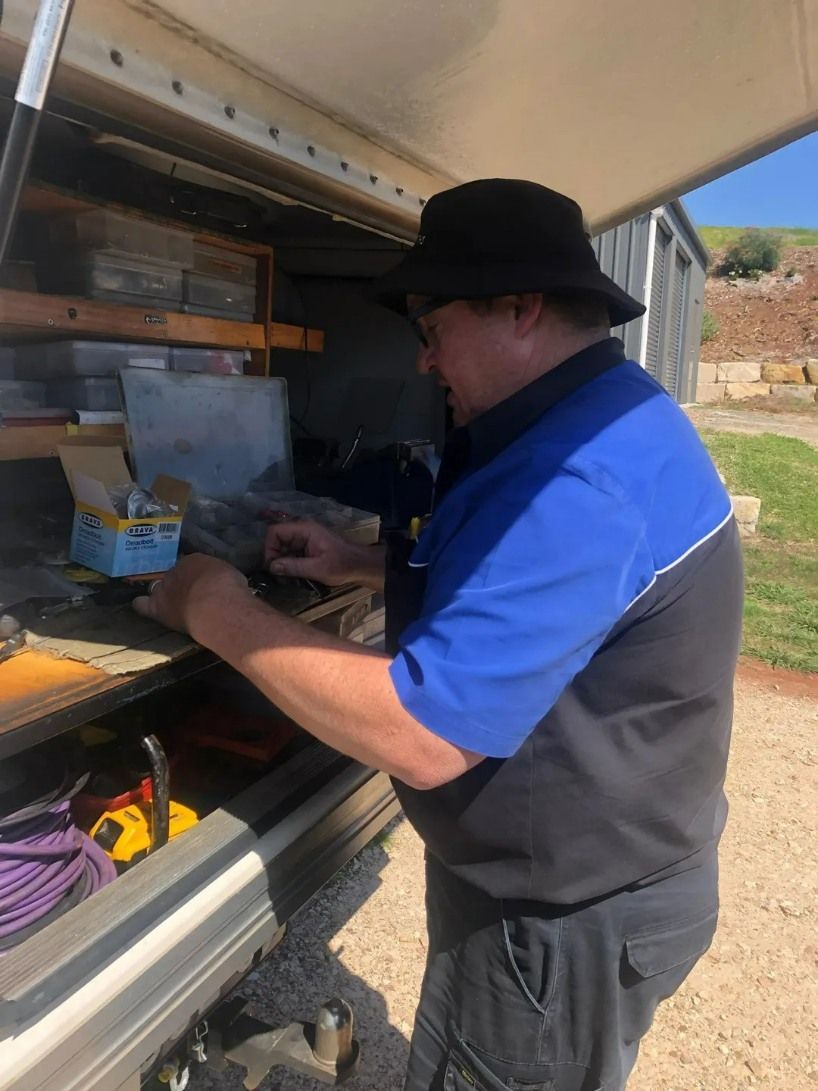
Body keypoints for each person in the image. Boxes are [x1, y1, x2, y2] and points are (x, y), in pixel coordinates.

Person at [135, 179, 743, 1091]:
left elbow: (424, 734)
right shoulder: (599, 416)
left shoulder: (577, 479)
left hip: (561, 925)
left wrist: (214, 606)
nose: (424, 360)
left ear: (520, 308)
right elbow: (526, 591)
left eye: (433, 328)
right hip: (581, 886)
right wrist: (359, 561)